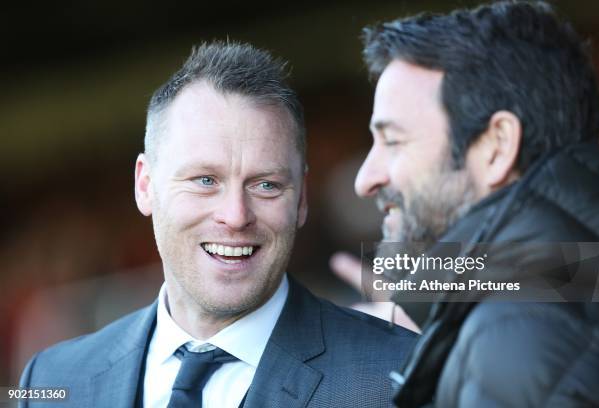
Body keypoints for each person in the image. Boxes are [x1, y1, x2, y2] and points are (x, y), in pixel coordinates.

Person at [19, 41, 417, 407]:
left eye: (266, 185)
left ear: (302, 199)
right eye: (205, 181)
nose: (236, 215)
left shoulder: (398, 378)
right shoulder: (51, 380)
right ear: (145, 185)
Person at [342, 1, 599, 407]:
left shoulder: (518, 332)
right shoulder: (570, 291)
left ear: (497, 147)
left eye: (393, 141)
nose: (365, 179)